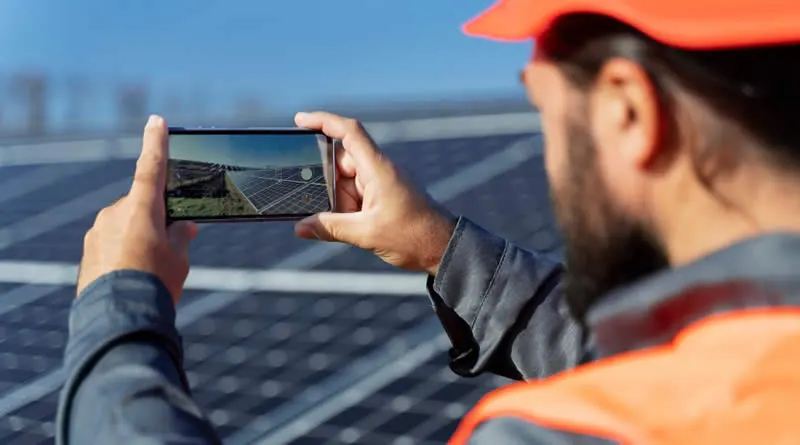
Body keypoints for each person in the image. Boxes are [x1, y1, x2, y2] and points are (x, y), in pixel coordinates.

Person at [56, 0, 800, 443]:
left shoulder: (572, 432)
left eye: (542, 107)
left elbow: (653, 392)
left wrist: (118, 314)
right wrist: (445, 249)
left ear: (627, 111)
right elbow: (677, 367)